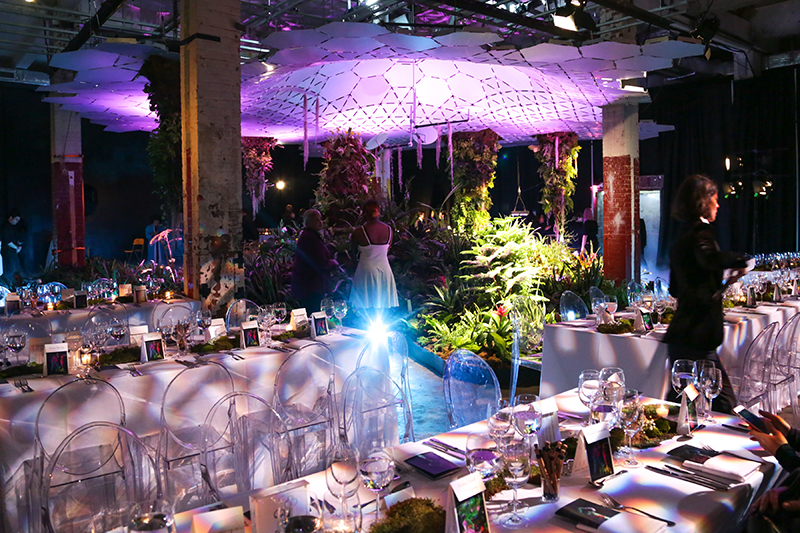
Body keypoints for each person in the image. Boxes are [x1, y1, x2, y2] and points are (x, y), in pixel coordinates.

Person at [663, 174, 749, 414]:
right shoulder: (701, 232)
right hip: (696, 334)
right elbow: (709, 258)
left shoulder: (682, 236)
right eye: (715, 199)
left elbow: (676, 289)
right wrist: (742, 259)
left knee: (682, 400)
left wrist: (721, 283)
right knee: (724, 403)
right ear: (702, 201)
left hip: (684, 335)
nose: (718, 205)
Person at [350, 200, 399, 314]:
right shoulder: (389, 230)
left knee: (365, 307)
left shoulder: (358, 232)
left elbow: (352, 253)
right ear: (378, 211)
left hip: (366, 270)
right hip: (385, 270)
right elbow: (388, 249)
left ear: (363, 213)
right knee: (382, 307)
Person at [291, 209, 336, 313]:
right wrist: (333, 264)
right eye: (317, 220)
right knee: (313, 313)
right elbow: (318, 261)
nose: (321, 222)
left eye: (320, 219)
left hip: (311, 285)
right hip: (310, 285)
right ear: (309, 222)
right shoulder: (309, 238)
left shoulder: (311, 236)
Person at [1, 210, 23, 287]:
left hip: (11, 251)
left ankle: (12, 284)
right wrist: (16, 247)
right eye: (16, 219)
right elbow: (8, 240)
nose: (16, 222)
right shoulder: (6, 227)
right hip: (8, 251)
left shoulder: (12, 227)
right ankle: (7, 286)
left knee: (14, 269)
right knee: (9, 269)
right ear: (11, 217)